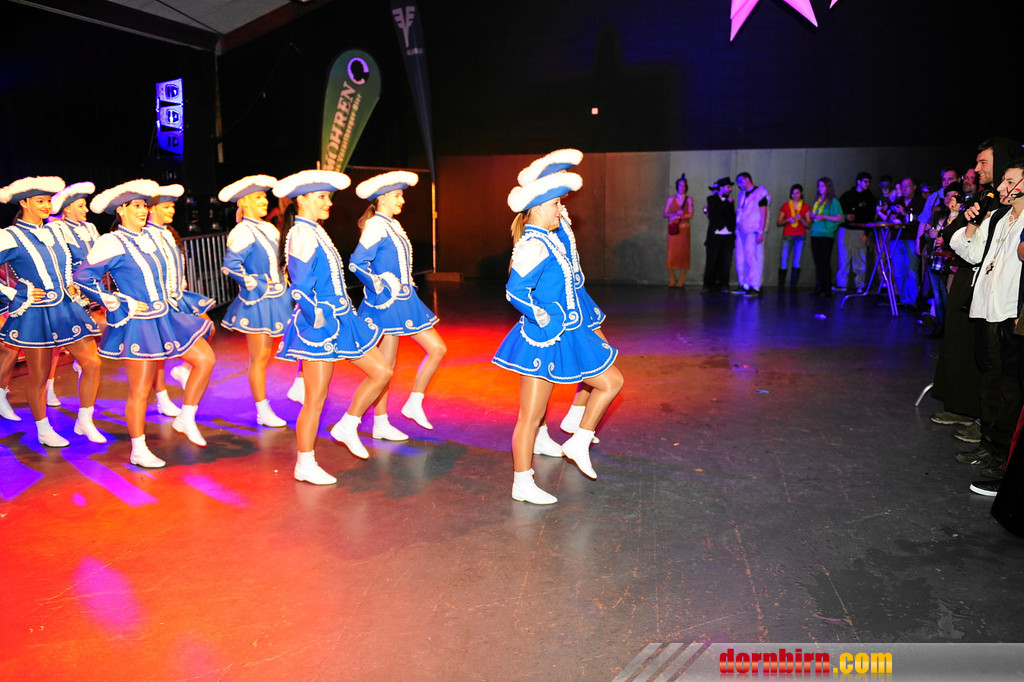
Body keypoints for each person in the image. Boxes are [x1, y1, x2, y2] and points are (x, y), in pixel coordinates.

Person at [493, 170, 623, 504]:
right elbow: (515, 291)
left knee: (610, 381)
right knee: (530, 417)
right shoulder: (534, 244)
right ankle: (522, 482)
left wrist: (562, 222)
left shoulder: (549, 237)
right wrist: (542, 316)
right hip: (543, 339)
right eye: (555, 204)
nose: (561, 209)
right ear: (537, 207)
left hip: (563, 332)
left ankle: (578, 439)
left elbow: (570, 267)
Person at [74, 179, 217, 467]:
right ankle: (138, 449)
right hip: (138, 323)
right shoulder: (112, 241)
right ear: (121, 210)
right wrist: (116, 301)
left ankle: (186, 417)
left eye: (144, 205)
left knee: (205, 359)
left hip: (166, 316)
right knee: (139, 390)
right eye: (136, 206)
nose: (142, 210)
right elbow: (82, 277)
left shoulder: (151, 237)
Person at [272, 170, 393, 485]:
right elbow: (300, 285)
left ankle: (348, 424)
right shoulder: (301, 233)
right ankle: (305, 462)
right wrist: (315, 315)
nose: (328, 203)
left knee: (381, 371)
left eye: (328, 197)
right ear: (302, 199)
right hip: (319, 324)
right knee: (316, 398)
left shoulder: (315, 231)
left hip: (341, 318)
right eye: (322, 197)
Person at [0, 176, 105, 447]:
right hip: (36, 312)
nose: (47, 206)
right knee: (39, 376)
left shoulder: (56, 231)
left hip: (67, 307)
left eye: (48, 201)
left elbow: (72, 263)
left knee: (92, 363)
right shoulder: (10, 236)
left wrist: (74, 283)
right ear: (24, 203)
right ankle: (43, 428)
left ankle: (85, 419)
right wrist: (13, 293)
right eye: (40, 201)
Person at [349, 170, 446, 440]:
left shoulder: (392, 224)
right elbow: (357, 263)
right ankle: (380, 422)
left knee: (436, 349)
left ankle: (413, 402)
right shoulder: (376, 226)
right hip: (388, 304)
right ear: (381, 198)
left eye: (401, 195)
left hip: (405, 301)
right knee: (387, 366)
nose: (402, 200)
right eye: (396, 195)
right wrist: (379, 284)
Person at [949, 158, 1024, 497]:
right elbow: (970, 252)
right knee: (990, 380)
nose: (1003, 187)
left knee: (1009, 387)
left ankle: (1003, 456)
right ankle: (990, 446)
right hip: (987, 309)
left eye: (1010, 181)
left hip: (1010, 312)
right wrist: (970, 224)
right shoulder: (998, 218)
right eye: (1004, 180)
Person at [219, 174, 293, 428]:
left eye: (264, 197)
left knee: (297, 341)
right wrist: (254, 282)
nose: (264, 201)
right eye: (258, 197)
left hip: (280, 297)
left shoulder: (268, 228)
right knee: (259, 358)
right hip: (259, 302)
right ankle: (262, 409)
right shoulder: (242, 231)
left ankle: (300, 385)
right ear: (244, 202)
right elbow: (230, 266)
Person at [837, 172, 877, 293]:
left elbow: (871, 218)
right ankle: (842, 284)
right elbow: (838, 211)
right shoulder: (847, 195)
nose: (867, 184)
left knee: (860, 259)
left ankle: (860, 284)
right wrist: (846, 216)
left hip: (860, 230)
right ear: (858, 181)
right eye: (865, 181)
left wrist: (867, 234)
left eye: (869, 182)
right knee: (843, 258)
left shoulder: (870, 198)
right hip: (846, 229)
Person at [733, 172, 770, 296]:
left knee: (753, 257)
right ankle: (744, 284)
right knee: (742, 257)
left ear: (747, 179)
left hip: (753, 229)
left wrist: (761, 231)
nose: (739, 185)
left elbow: (764, 213)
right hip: (742, 229)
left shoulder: (760, 193)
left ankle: (755, 285)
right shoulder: (742, 194)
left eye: (740, 181)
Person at [808, 177, 843, 297]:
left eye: (822, 186)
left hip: (826, 234)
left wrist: (824, 217)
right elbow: (815, 216)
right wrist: (812, 216)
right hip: (815, 233)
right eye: (819, 186)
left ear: (828, 187)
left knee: (824, 261)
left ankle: (827, 287)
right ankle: (819, 285)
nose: (820, 188)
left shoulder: (833, 201)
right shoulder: (817, 201)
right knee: (818, 261)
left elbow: (839, 218)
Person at [701, 177, 735, 294]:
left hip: (728, 235)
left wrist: (733, 230)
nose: (730, 189)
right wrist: (726, 202)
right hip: (715, 235)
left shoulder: (730, 200)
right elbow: (715, 214)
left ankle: (724, 285)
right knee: (711, 261)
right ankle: (707, 285)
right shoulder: (711, 199)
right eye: (728, 187)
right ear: (721, 188)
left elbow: (731, 217)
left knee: (726, 262)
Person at [776, 184, 810, 292]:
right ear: (791, 194)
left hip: (800, 236)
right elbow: (779, 222)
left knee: (797, 261)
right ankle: (781, 286)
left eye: (797, 193)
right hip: (788, 235)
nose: (795, 195)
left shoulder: (805, 207)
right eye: (793, 193)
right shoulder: (786, 206)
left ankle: (793, 286)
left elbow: (808, 224)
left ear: (801, 193)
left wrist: (801, 219)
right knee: (784, 260)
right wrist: (787, 220)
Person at [662, 174, 693, 287]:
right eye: (680, 185)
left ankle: (681, 280)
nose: (682, 188)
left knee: (683, 254)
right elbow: (665, 214)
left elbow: (690, 214)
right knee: (672, 253)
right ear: (677, 186)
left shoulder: (689, 199)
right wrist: (675, 214)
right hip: (673, 230)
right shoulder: (671, 199)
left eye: (684, 186)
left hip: (684, 229)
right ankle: (671, 279)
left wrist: (682, 215)